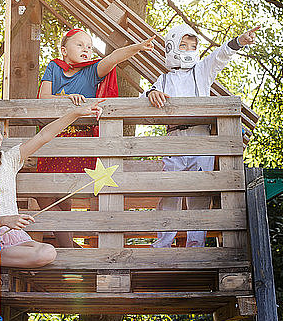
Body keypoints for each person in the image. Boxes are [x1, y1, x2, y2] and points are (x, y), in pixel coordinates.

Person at [36, 27, 154, 246]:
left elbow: (113, 58)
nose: (86, 50)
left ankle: (67, 247)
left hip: (78, 140)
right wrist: (67, 98)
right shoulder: (54, 66)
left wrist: (136, 48)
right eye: (79, 45)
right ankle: (70, 246)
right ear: (64, 50)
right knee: (43, 191)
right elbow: (43, 96)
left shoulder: (92, 71)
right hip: (52, 138)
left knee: (65, 193)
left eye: (89, 47)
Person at [0, 100, 103, 268]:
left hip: (8, 235)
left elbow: (43, 136)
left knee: (48, 253)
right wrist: (6, 220)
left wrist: (76, 113)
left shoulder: (9, 160)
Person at [147, 23, 259, 248]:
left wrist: (239, 41)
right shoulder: (164, 78)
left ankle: (195, 247)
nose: (188, 50)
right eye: (183, 45)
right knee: (170, 194)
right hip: (174, 141)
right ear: (171, 47)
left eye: (192, 46)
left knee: (199, 196)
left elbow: (220, 55)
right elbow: (146, 96)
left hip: (201, 141)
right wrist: (152, 92)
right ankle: (163, 245)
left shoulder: (202, 71)